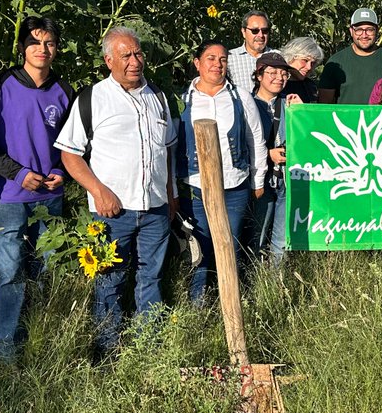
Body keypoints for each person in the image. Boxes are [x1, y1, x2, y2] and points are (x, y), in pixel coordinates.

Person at [56, 26, 177, 355]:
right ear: (109, 60)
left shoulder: (159, 98)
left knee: (151, 279)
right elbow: (69, 153)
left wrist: (171, 196)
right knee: (110, 282)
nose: (135, 61)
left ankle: (148, 349)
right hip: (113, 211)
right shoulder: (93, 98)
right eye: (126, 55)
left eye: (138, 53)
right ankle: (107, 351)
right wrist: (99, 191)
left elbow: (166, 151)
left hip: (154, 209)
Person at [0, 16, 73, 361]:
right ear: (22, 46)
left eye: (49, 43)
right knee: (8, 273)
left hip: (49, 196)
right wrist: (17, 173)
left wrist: (60, 170)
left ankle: (38, 335)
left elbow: (71, 144)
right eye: (35, 42)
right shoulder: (1, 84)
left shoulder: (63, 91)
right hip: (9, 195)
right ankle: (7, 348)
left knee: (45, 269)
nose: (42, 49)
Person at [177, 40, 267, 301]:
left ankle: (230, 300)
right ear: (197, 63)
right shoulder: (183, 99)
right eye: (211, 58)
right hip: (196, 185)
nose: (217, 64)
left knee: (231, 244)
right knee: (201, 246)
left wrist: (257, 179)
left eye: (223, 59)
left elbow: (255, 140)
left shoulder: (240, 96)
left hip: (235, 185)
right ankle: (198, 303)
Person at [249, 51, 300, 267]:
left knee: (282, 239)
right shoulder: (247, 104)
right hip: (260, 180)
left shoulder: (289, 105)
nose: (279, 77)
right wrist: (268, 154)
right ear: (259, 75)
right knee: (256, 236)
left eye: (284, 74)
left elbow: (307, 137)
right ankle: (252, 284)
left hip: (285, 182)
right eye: (273, 72)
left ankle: (276, 284)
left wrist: (302, 110)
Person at [317, 7, 382, 105]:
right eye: (358, 30)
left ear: (377, 30)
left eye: (369, 30)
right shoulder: (336, 62)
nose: (364, 35)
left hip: (379, 119)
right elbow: (324, 104)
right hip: (345, 120)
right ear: (351, 31)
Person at [226, 10, 276, 95]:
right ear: (243, 32)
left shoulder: (278, 57)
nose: (260, 35)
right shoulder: (229, 58)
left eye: (265, 30)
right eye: (255, 31)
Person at [279, 36, 324, 103]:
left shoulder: (311, 86)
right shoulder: (278, 83)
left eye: (313, 63)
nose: (309, 67)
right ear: (290, 57)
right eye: (305, 60)